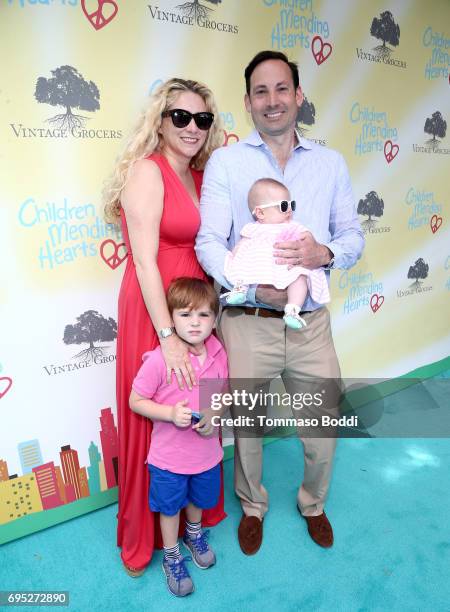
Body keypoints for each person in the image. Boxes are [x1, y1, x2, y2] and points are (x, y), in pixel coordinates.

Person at [196, 50, 364, 555]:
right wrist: (251, 287)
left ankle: (313, 503)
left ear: (299, 95)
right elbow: (209, 241)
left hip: (309, 322)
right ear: (248, 102)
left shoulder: (330, 163)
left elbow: (352, 234)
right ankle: (252, 507)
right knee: (246, 427)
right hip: (247, 321)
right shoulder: (226, 161)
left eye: (282, 88)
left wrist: (324, 252)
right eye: (261, 91)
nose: (273, 101)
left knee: (322, 424)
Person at [103, 78, 226, 576]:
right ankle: (148, 534)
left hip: (193, 302)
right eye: (181, 117)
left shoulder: (202, 176)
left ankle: (193, 515)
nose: (192, 127)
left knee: (198, 407)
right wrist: (167, 336)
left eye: (202, 119)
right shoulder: (145, 172)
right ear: (160, 120)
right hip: (155, 308)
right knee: (156, 407)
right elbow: (146, 261)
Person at [130, 277, 227, 597]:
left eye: (203, 315)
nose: (195, 323)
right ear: (170, 319)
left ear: (215, 318)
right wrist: (170, 414)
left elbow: (222, 395)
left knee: (200, 499)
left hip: (206, 455)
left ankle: (194, 535)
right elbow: (136, 401)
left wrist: (214, 416)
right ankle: (171, 555)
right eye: (185, 315)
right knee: (170, 508)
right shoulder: (159, 359)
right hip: (169, 459)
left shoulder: (217, 351)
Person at [223, 177, 330, 330]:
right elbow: (242, 245)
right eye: (283, 206)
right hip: (260, 266)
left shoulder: (293, 226)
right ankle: (240, 289)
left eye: (291, 204)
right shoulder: (252, 228)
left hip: (286, 267)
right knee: (242, 264)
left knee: (300, 277)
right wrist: (235, 256)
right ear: (260, 212)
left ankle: (292, 309)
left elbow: (307, 240)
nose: (289, 210)